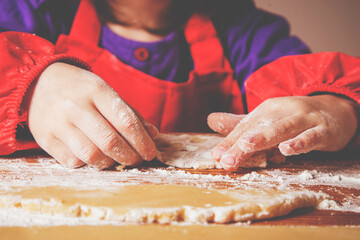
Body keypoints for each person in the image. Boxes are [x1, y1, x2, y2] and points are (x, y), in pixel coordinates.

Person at [0, 0, 359, 171]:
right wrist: (30, 88)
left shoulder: (243, 33)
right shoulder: (30, 14)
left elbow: (313, 91)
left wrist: (336, 106)